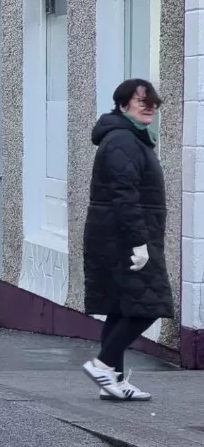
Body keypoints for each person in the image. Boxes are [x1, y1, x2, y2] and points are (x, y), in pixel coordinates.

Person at [81, 78, 173, 402]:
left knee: (121, 308)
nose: (149, 107)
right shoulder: (122, 140)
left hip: (115, 236)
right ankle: (104, 364)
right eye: (140, 101)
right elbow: (125, 197)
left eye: (152, 102)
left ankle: (113, 382)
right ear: (123, 106)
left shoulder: (130, 138)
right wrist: (139, 243)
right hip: (122, 239)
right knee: (149, 306)